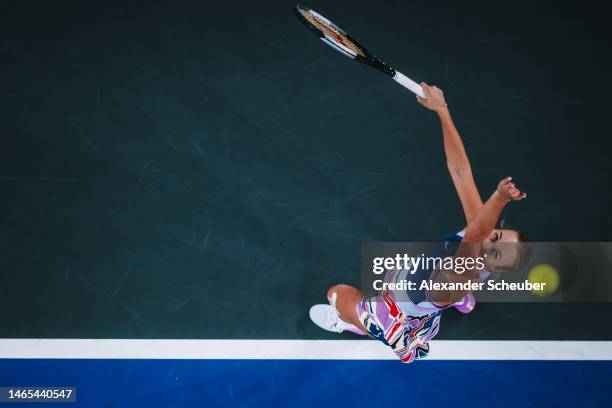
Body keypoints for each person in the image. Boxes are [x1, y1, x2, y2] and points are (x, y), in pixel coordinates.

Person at [309, 83, 529, 363]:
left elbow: (477, 231)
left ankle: (356, 325)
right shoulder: (478, 244)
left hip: (397, 313)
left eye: (495, 252)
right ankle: (440, 308)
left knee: (337, 293)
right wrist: (442, 110)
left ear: (495, 271)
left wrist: (498, 198)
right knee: (447, 265)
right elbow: (461, 172)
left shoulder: (462, 274)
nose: (490, 242)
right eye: (497, 236)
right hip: (422, 286)